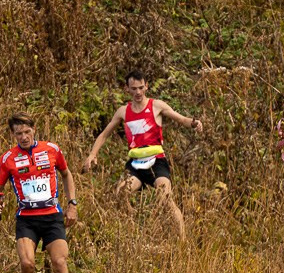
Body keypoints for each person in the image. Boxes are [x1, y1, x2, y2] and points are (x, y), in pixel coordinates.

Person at [82, 70, 203, 238]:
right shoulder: (123, 111)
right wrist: (92, 155)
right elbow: (104, 134)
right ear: (127, 89)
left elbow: (181, 119)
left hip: (157, 162)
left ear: (146, 86)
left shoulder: (156, 106)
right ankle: (138, 233)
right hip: (135, 165)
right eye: (134, 89)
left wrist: (194, 123)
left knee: (166, 198)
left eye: (141, 88)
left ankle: (182, 242)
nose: (138, 92)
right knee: (120, 194)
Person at [0, 112, 78, 273]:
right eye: (19, 133)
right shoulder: (7, 159)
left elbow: (67, 174)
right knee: (27, 263)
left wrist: (72, 204)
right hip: (26, 220)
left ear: (34, 130)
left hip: (52, 217)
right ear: (12, 135)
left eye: (27, 132)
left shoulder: (52, 150)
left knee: (59, 262)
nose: (24, 137)